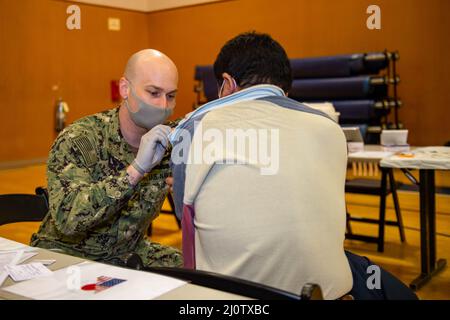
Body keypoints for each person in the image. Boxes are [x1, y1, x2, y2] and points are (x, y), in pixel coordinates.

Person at [169, 32, 417, 300]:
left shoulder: (194, 127)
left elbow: (186, 221)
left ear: (227, 84)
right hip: (326, 290)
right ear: (285, 89)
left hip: (233, 294)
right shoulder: (331, 128)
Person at [31, 49, 183, 268]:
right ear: (125, 89)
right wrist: (136, 170)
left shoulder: (170, 141)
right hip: (68, 255)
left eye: (170, 96)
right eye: (153, 93)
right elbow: (69, 220)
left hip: (127, 252)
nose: (162, 105)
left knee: (198, 274)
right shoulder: (81, 139)